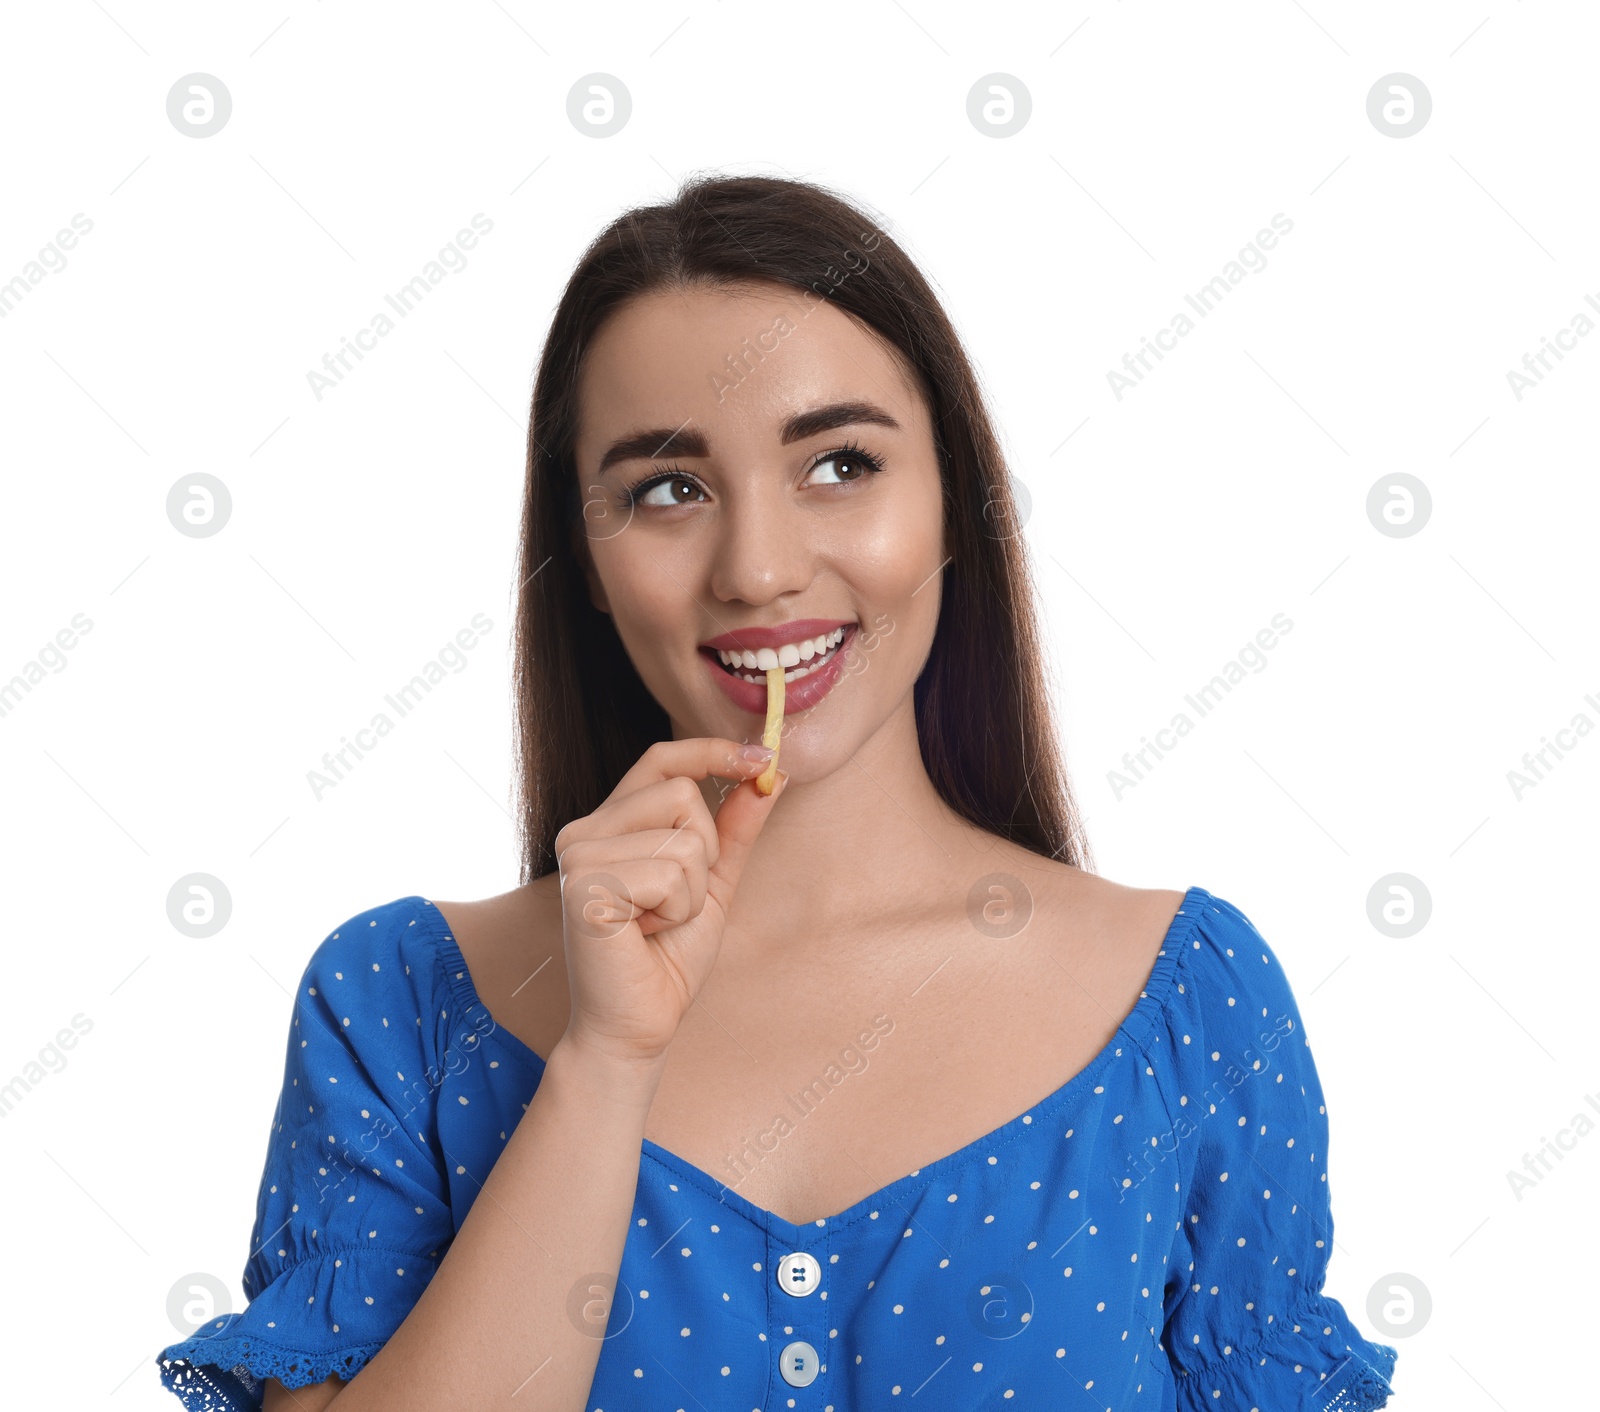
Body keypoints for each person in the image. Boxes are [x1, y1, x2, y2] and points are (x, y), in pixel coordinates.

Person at [157, 174, 1398, 1410]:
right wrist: (603, 1062)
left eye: (841, 463)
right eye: (667, 488)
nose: (757, 566)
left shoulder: (1188, 1002)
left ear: (955, 508)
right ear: (583, 558)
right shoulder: (402, 1004)